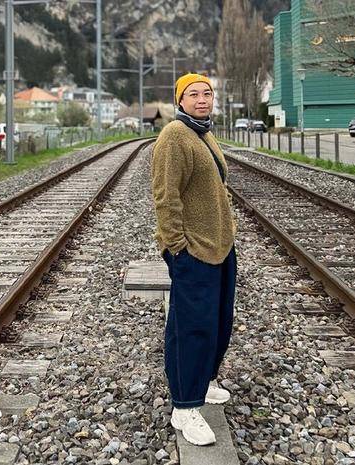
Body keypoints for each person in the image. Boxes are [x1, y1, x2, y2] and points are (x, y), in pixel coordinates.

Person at [150, 73, 237, 446]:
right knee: (192, 327)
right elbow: (165, 195)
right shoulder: (175, 136)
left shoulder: (203, 133)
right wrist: (176, 246)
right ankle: (185, 407)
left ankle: (203, 381)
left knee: (217, 322)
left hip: (220, 245)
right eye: (193, 94)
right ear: (180, 101)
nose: (202, 99)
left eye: (207, 93)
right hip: (194, 249)